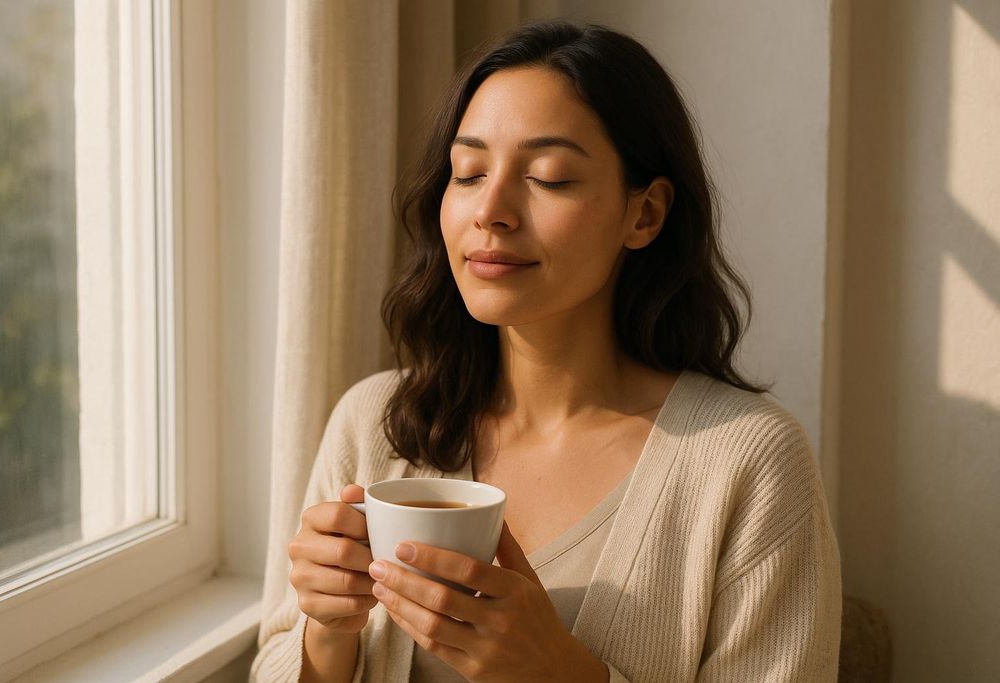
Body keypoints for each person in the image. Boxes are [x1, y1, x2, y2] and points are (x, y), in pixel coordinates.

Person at [252, 19, 841, 683]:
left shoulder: (750, 464)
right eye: (469, 172)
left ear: (644, 214)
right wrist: (327, 634)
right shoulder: (376, 421)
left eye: (550, 177)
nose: (491, 210)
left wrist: (561, 672)